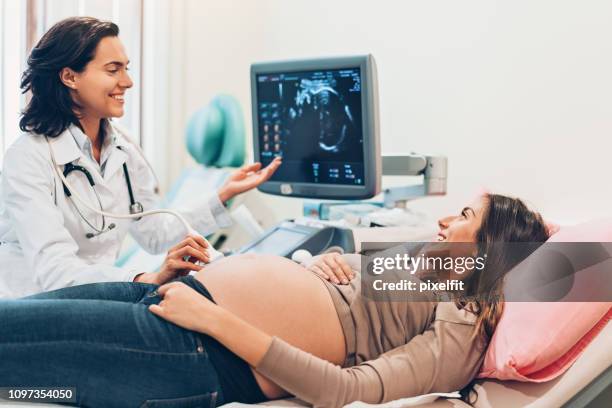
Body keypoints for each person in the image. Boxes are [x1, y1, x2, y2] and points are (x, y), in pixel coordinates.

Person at [0, 193, 549, 407]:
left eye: (465, 219)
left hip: (196, 350)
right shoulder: (425, 275)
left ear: (493, 247)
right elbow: (331, 287)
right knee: (15, 357)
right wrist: (317, 266)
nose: (445, 219)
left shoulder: (460, 327)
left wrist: (213, 320)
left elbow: (344, 390)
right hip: (171, 298)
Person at [0, 16, 281, 298]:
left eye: (127, 69)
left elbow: (154, 233)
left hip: (99, 299)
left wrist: (222, 195)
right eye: (113, 70)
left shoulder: (123, 148)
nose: (128, 82)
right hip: (32, 307)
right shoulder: (28, 158)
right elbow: (55, 271)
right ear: (70, 77)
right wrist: (146, 278)